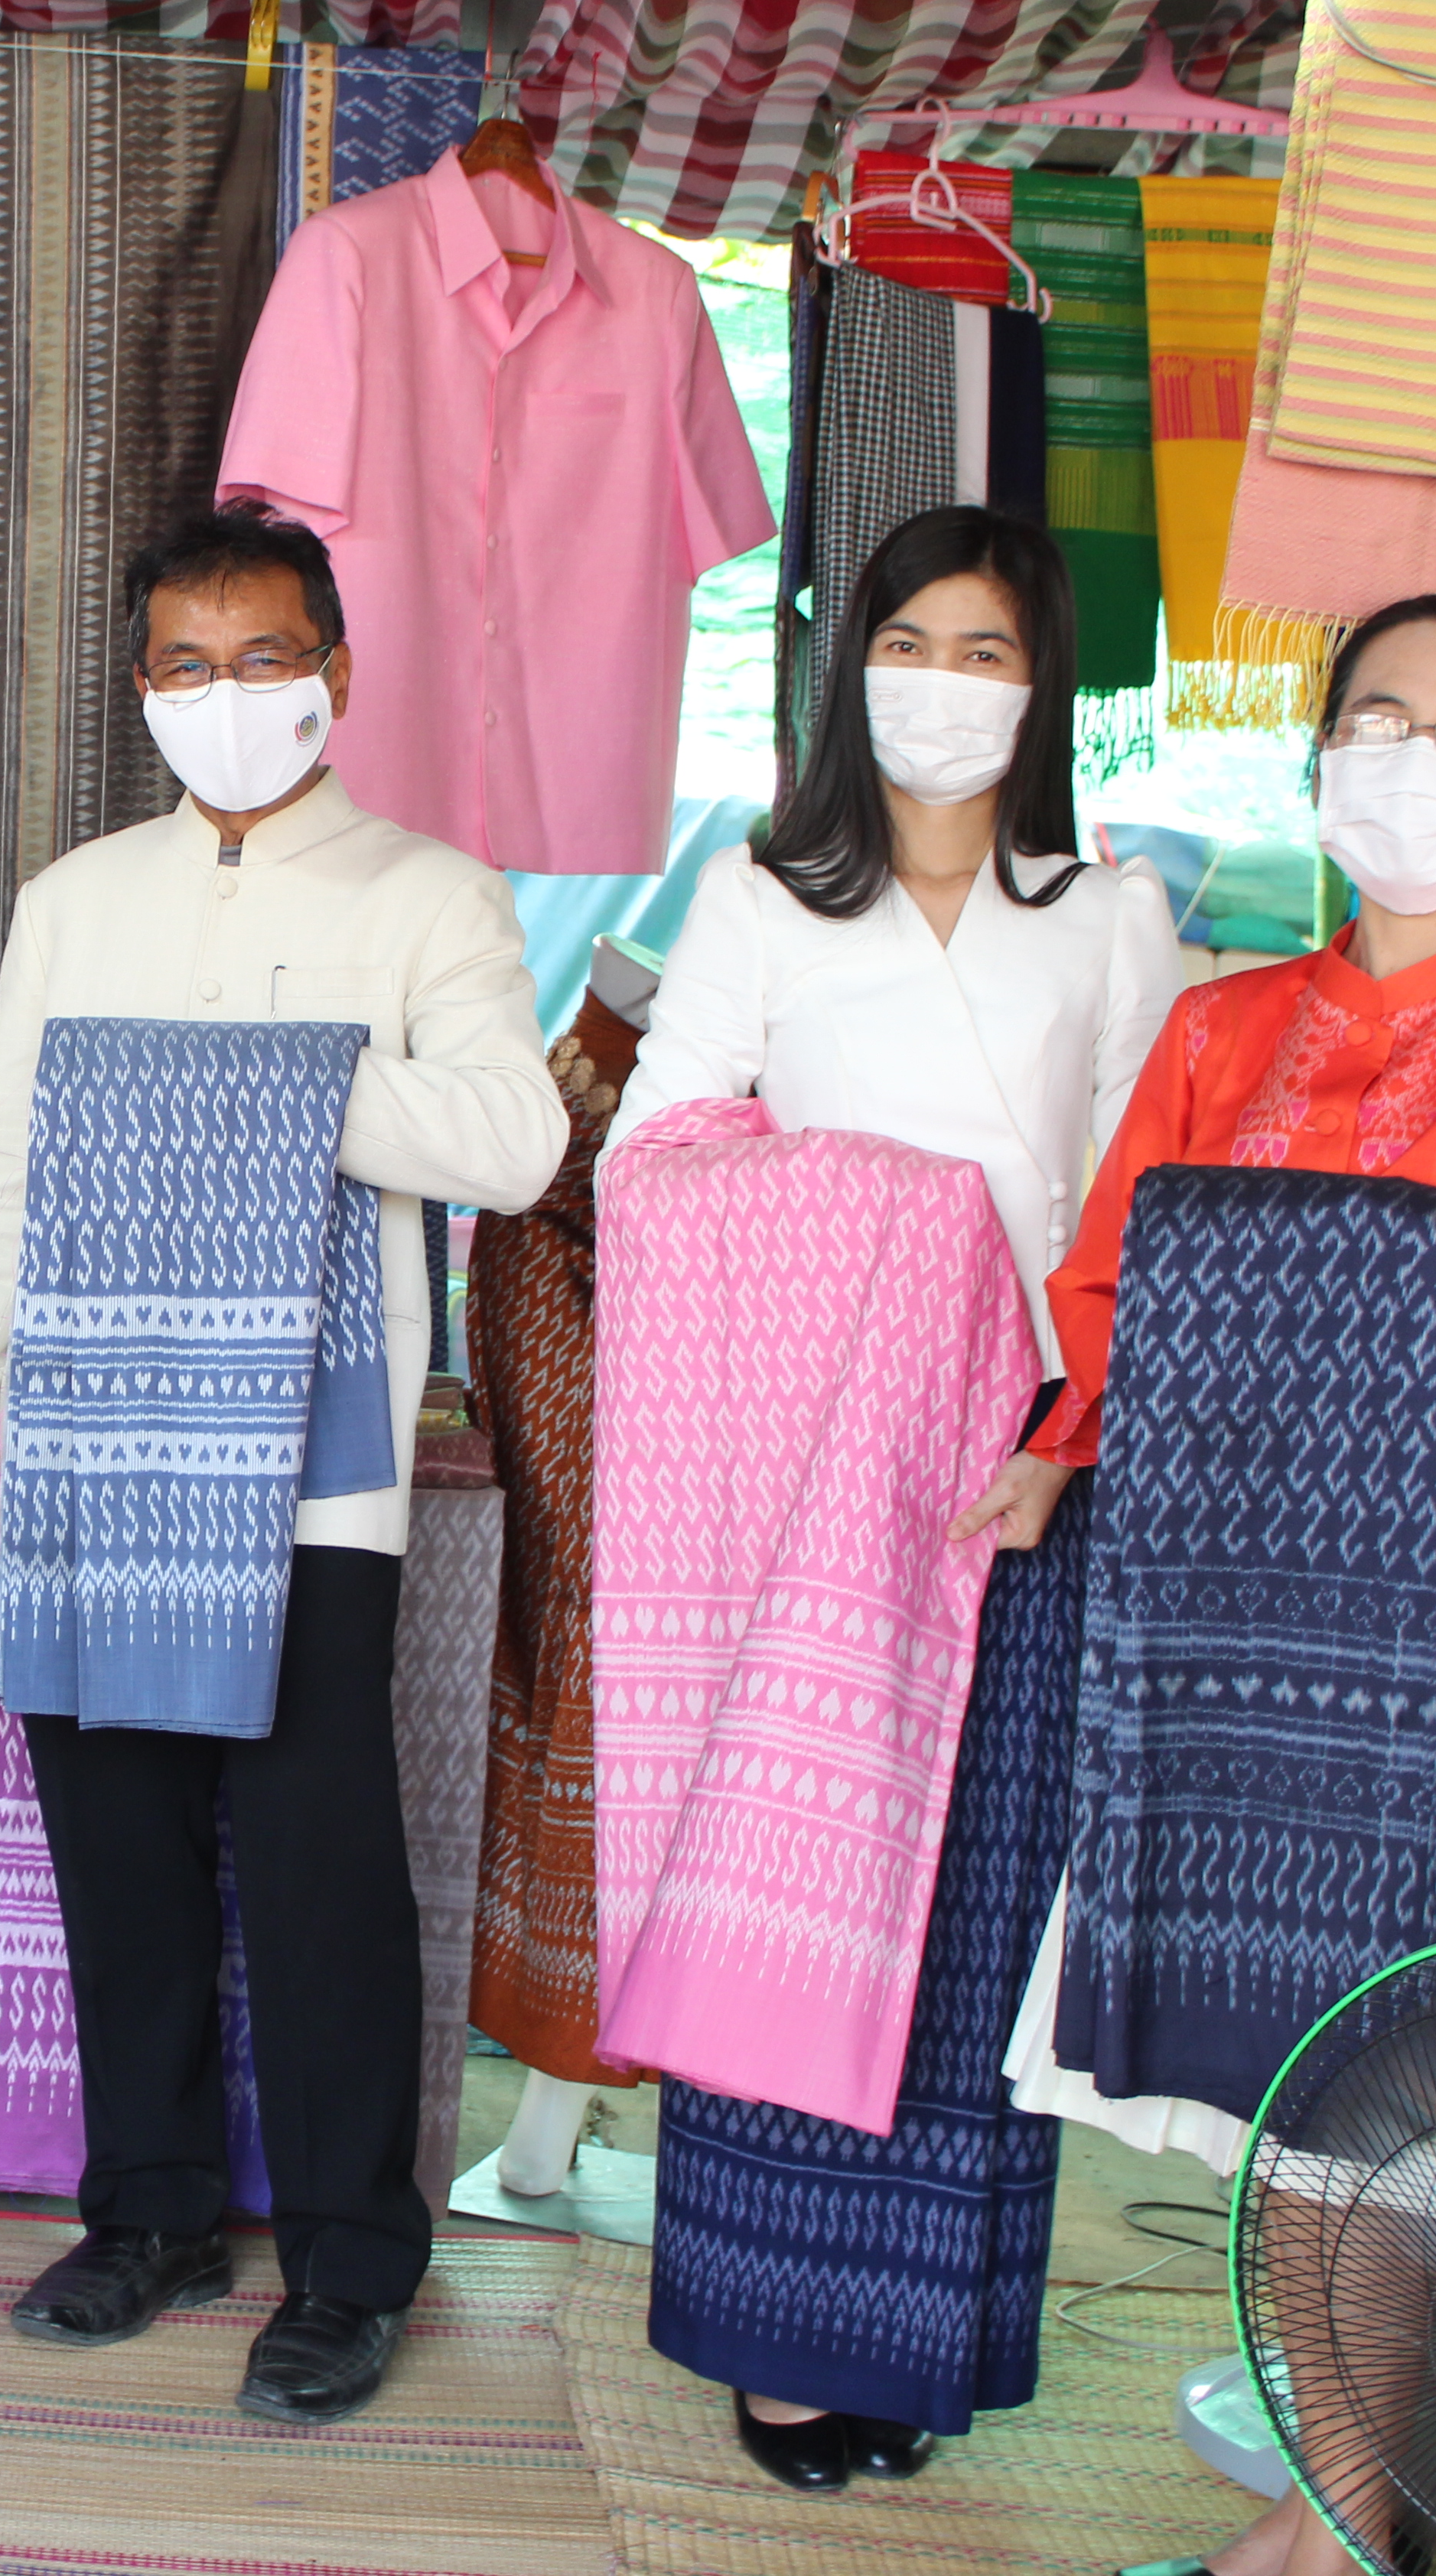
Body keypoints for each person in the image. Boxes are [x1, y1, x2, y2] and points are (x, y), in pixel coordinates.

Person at [971, 591, 1436, 2576]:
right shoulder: (1221, 1027)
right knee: (1276, 2100)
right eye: (1380, 718)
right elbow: (1114, 1280)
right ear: (1321, 763)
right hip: (1213, 1606)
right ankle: (1329, 2520)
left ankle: (1335, 2533)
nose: (1421, 755)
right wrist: (1055, 1463)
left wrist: (1342, 1285)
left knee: (1399, 2087)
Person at [0, 500, 566, 2424]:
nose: (229, 697)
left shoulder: (428, 896)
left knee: (317, 1871)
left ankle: (354, 2265)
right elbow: (9, 1175)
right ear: (143, 690)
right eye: (189, 668)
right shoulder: (73, 898)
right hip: (91, 1441)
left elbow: (516, 1143)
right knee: (116, 1858)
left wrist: (292, 1078)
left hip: (312, 1467)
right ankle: (152, 2214)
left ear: (338, 676)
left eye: (266, 659)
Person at [595, 506, 1180, 2491]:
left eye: (990, 649)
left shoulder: (1111, 918)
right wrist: (905, 1233)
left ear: (1050, 687)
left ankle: (911, 2341)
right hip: (819, 1475)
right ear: (852, 668)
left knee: (965, 1915)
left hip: (1023, 1466)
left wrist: (1061, 1433)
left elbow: (1137, 1209)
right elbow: (656, 1159)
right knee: (797, 1895)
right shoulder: (765, 899)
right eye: (911, 640)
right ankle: (774, 2337)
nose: (947, 682)